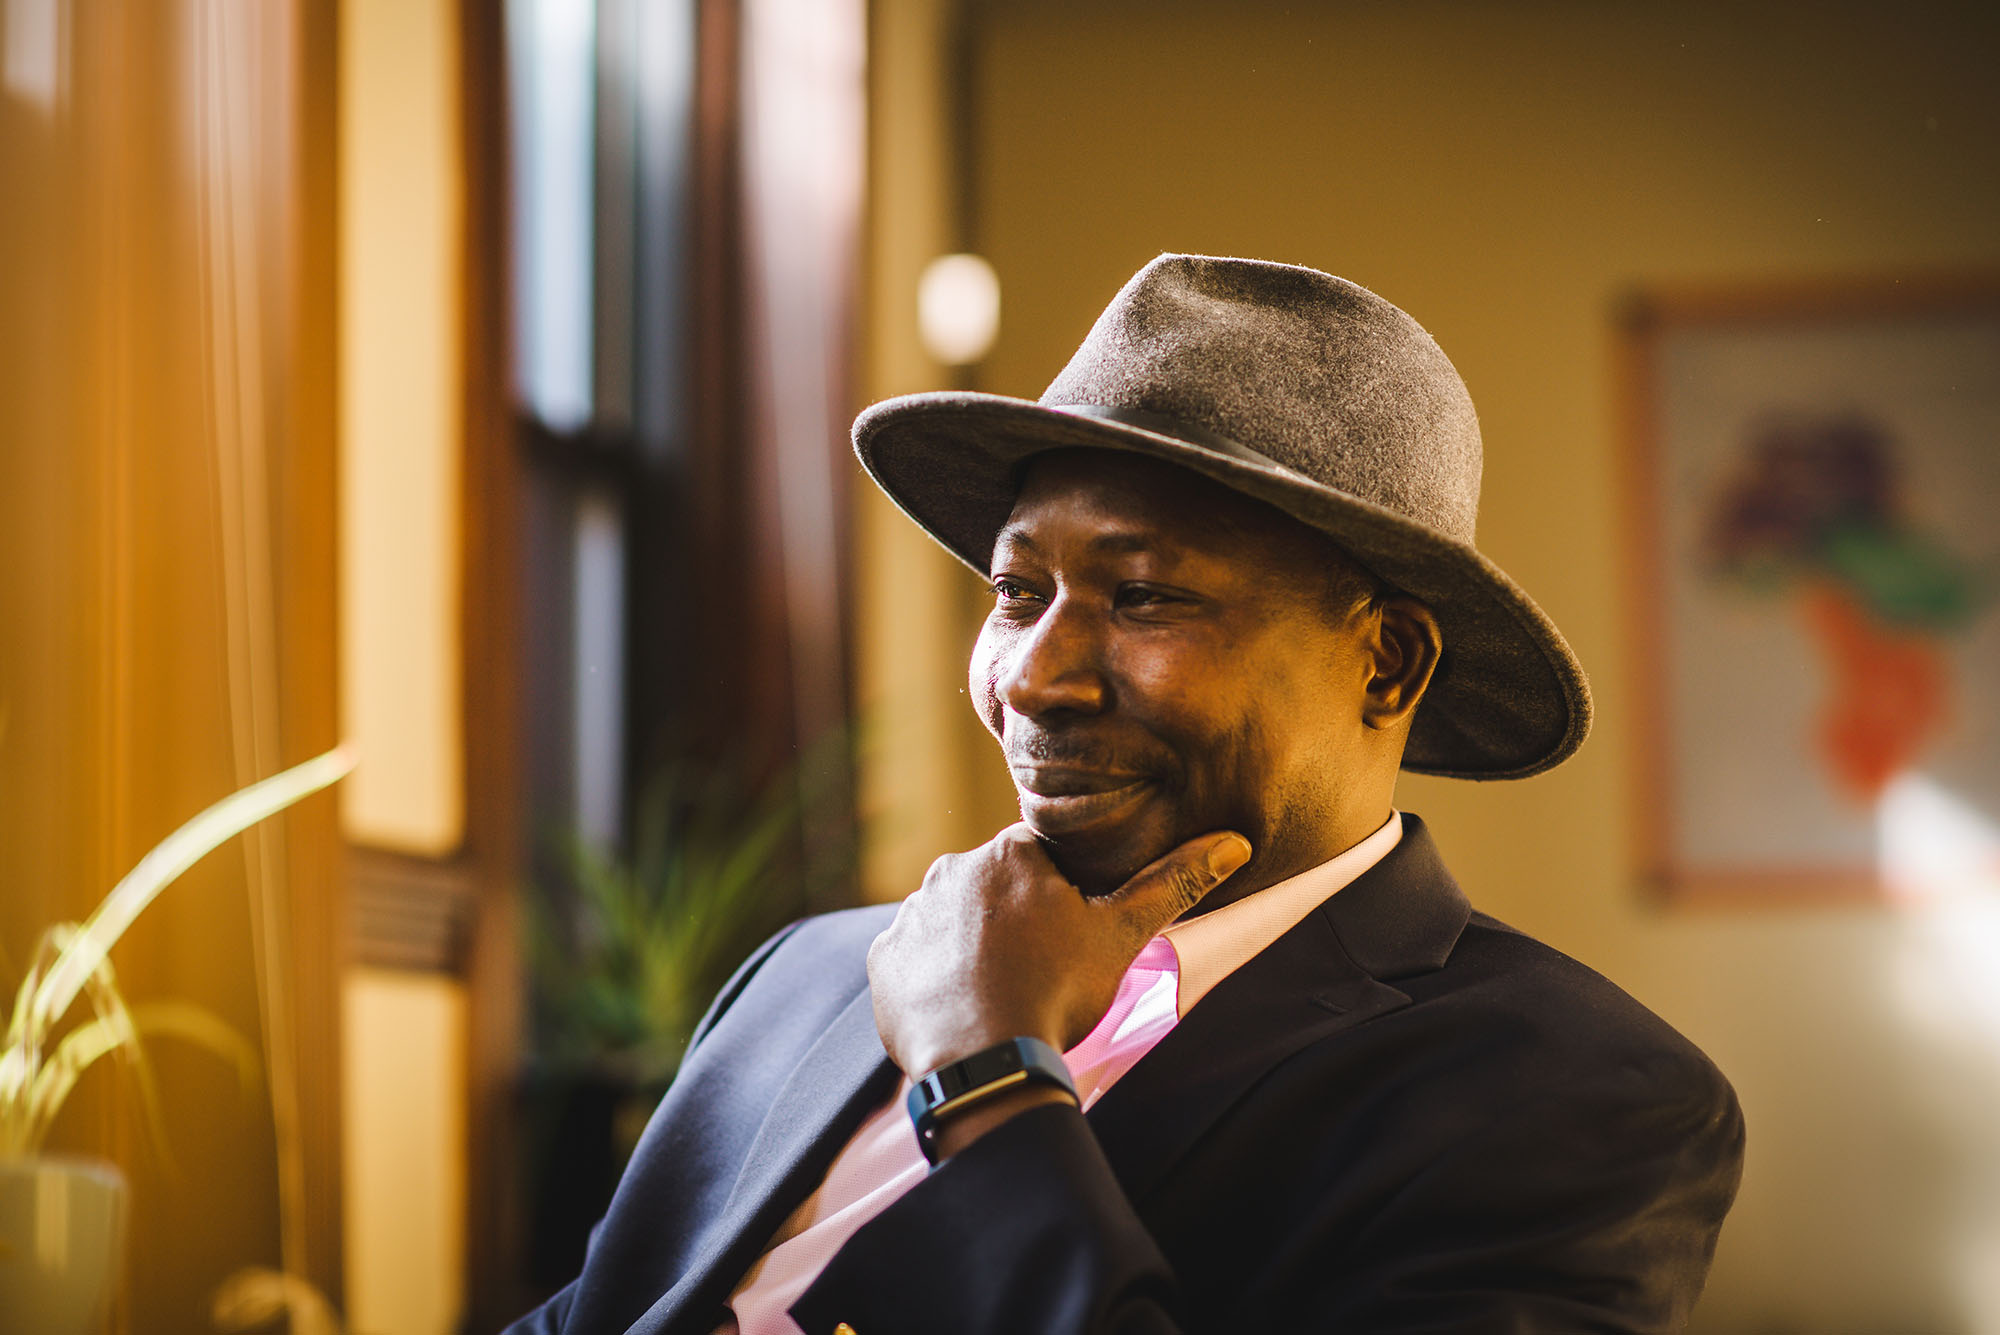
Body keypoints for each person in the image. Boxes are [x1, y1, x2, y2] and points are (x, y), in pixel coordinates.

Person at [504, 254, 1744, 1335]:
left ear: (1388, 662)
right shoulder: (807, 976)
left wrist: (986, 1075)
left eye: (1144, 598)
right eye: (1012, 593)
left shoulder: (1574, 1100)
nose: (1033, 678)